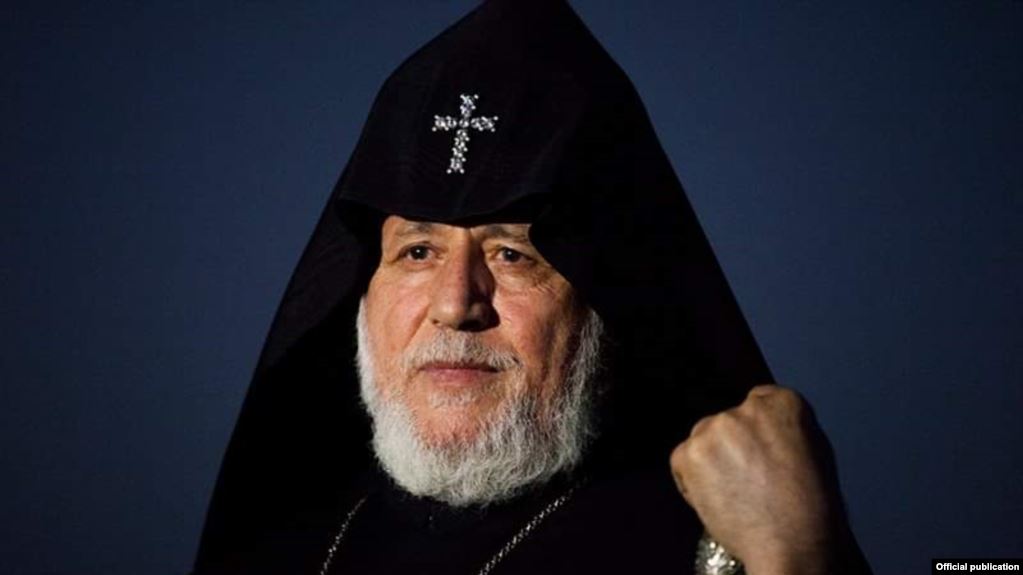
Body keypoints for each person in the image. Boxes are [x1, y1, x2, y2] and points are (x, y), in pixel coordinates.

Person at [194, 0, 872, 573]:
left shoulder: (711, 547)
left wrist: (791, 558)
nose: (455, 304)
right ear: (359, 296)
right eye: (418, 251)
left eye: (514, 254)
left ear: (607, 305)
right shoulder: (280, 549)